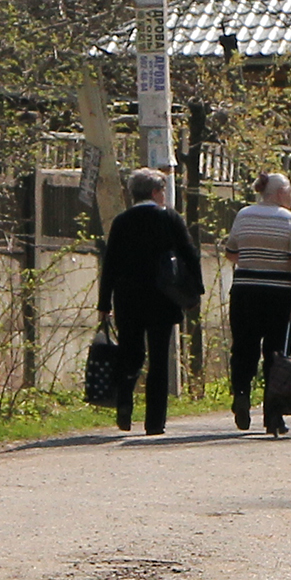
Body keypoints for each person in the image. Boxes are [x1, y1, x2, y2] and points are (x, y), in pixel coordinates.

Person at [96, 166, 202, 435]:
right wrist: (194, 292)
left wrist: (104, 303)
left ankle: (124, 403)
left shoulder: (122, 221)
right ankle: (154, 422)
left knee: (130, 354)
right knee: (158, 360)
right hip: (162, 299)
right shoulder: (170, 218)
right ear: (155, 192)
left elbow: (110, 264)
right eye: (162, 190)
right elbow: (189, 254)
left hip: (127, 299)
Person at [224, 170, 291, 436]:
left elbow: (231, 252)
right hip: (278, 295)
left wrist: (253, 263)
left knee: (243, 348)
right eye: (290, 190)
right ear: (280, 192)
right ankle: (273, 414)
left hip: (245, 293)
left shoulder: (243, 215)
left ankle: (241, 393)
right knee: (276, 354)